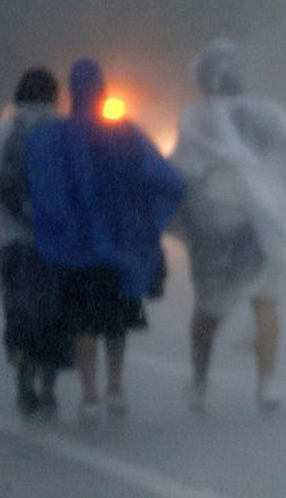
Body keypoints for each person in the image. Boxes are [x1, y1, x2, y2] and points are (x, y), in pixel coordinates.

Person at [169, 40, 286, 413]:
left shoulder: (194, 118)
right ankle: (266, 386)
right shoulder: (266, 112)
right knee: (265, 300)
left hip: (217, 224)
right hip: (264, 221)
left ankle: (199, 385)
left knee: (209, 306)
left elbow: (183, 168)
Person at [25, 57, 185, 424]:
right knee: (115, 323)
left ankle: (89, 394)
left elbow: (45, 189)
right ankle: (115, 387)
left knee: (83, 324)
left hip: (76, 251)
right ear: (101, 89)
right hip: (119, 248)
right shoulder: (122, 134)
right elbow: (161, 178)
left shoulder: (54, 138)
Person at [0, 67, 74, 419]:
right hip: (56, 240)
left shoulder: (1, 131)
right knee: (54, 313)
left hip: (10, 239)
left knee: (18, 311)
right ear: (53, 95)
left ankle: (23, 384)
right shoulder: (64, 130)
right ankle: (48, 388)